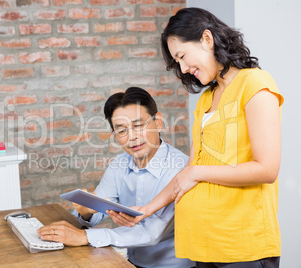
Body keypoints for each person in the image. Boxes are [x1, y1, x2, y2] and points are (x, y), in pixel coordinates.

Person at [111, 8, 284, 267]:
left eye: (182, 56)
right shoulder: (206, 99)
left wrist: (198, 172)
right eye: (176, 62)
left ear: (206, 39)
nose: (182, 68)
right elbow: (189, 172)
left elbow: (266, 169)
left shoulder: (255, 84)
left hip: (242, 247)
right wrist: (145, 210)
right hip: (203, 245)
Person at [37, 87, 194, 268]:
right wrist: (86, 210)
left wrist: (84, 237)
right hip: (129, 262)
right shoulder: (120, 164)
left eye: (138, 126)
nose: (132, 137)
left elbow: (151, 234)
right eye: (122, 131)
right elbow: (98, 209)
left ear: (158, 122)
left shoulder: (180, 169)